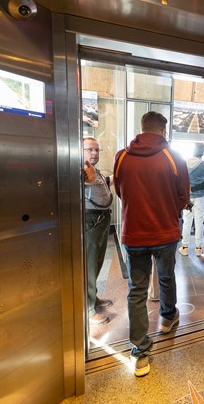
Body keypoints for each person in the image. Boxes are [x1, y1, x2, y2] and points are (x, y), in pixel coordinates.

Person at [112, 111, 190, 377]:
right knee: (166, 277)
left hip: (133, 234)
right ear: (163, 130)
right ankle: (168, 318)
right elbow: (183, 197)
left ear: (142, 128)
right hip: (166, 233)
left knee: (137, 289)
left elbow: (120, 191)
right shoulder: (174, 157)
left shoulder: (121, 156)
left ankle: (140, 351)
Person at [83, 137, 114, 326]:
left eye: (97, 150)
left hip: (101, 220)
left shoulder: (96, 171)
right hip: (91, 220)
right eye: (89, 150)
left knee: (97, 262)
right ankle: (88, 309)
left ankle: (93, 299)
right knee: (89, 266)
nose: (94, 153)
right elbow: (86, 181)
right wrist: (89, 179)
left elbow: (102, 184)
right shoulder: (84, 170)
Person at [179, 142, 204, 256]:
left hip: (188, 198)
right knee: (199, 222)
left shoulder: (184, 163)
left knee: (186, 222)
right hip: (200, 197)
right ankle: (198, 248)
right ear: (202, 152)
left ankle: (185, 247)